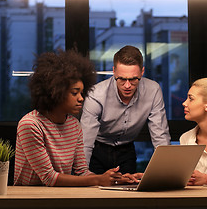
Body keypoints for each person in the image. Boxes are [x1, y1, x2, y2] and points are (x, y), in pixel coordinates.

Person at [13, 50, 137, 187]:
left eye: (82, 92)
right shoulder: (30, 125)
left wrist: (114, 179)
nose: (81, 98)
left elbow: (82, 172)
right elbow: (49, 178)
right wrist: (99, 180)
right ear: (55, 92)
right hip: (29, 200)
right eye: (74, 93)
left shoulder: (73, 124)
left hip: (61, 197)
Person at [80, 45, 171, 174]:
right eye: (122, 79)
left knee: (130, 191)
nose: (127, 85)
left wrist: (167, 173)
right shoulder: (96, 94)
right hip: (97, 150)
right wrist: (82, 175)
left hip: (127, 150)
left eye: (133, 79)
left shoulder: (153, 90)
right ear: (114, 72)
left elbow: (160, 135)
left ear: (142, 72)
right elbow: (86, 141)